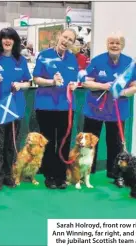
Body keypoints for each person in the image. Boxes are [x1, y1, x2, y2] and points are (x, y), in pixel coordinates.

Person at [82, 33, 136, 188]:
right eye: (111, 43)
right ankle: (85, 172)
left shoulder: (129, 64)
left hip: (117, 110)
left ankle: (116, 174)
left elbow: (135, 86)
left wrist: (122, 92)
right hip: (95, 109)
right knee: (89, 143)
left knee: (115, 144)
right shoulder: (97, 61)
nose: (114, 45)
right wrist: (104, 86)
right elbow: (86, 82)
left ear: (122, 46)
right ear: (107, 44)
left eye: (117, 43)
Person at [32, 28, 79, 189]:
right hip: (45, 106)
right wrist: (51, 82)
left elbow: (74, 80)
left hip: (66, 106)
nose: (66, 41)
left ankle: (61, 175)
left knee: (64, 141)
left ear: (73, 43)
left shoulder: (72, 59)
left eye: (70, 40)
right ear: (59, 36)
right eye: (65, 37)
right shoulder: (44, 55)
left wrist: (74, 85)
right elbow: (36, 79)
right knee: (49, 141)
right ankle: (49, 175)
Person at [0, 27, 33, 190]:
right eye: (4, 38)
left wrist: (21, 85)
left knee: (11, 144)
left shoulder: (21, 61)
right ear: (0, 41)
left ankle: (8, 174)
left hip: (15, 109)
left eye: (10, 38)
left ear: (15, 41)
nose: (7, 41)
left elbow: (28, 82)